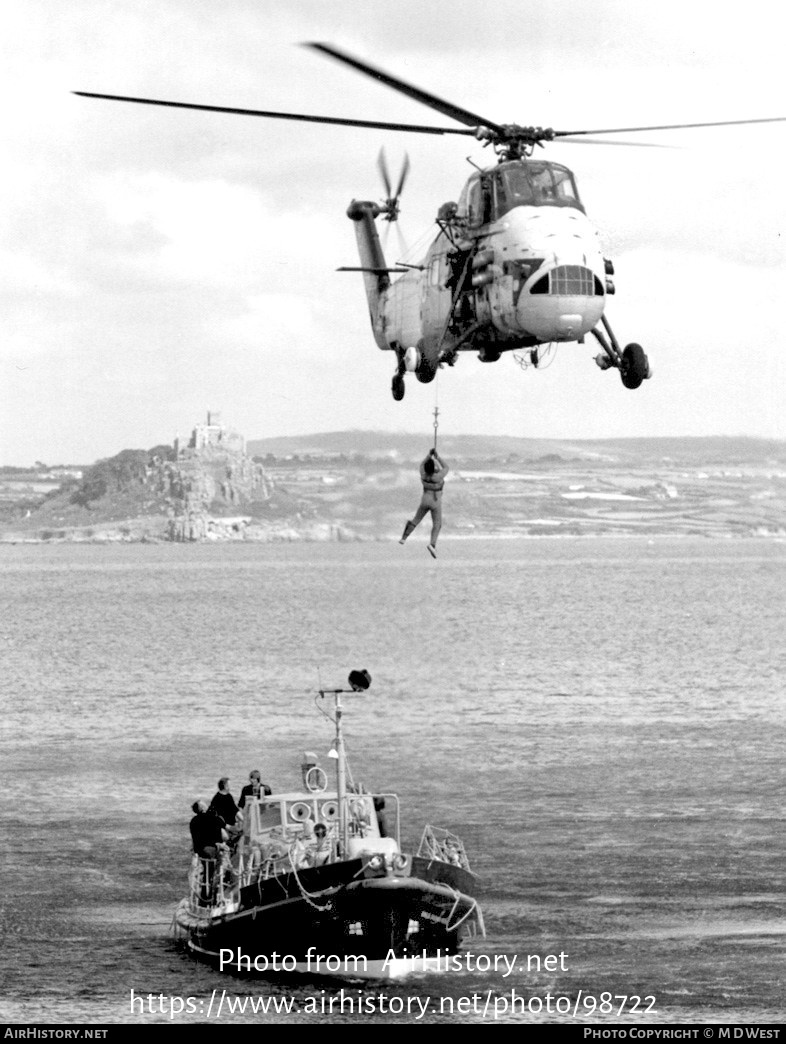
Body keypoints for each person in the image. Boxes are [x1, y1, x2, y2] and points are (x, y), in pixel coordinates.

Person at [399, 448, 449, 558]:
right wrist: (438, 457)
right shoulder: (438, 477)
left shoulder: (423, 475)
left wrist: (428, 456)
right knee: (437, 524)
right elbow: (446, 467)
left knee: (416, 520)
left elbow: (421, 465)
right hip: (436, 501)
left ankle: (404, 538)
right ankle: (432, 544)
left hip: (425, 499)